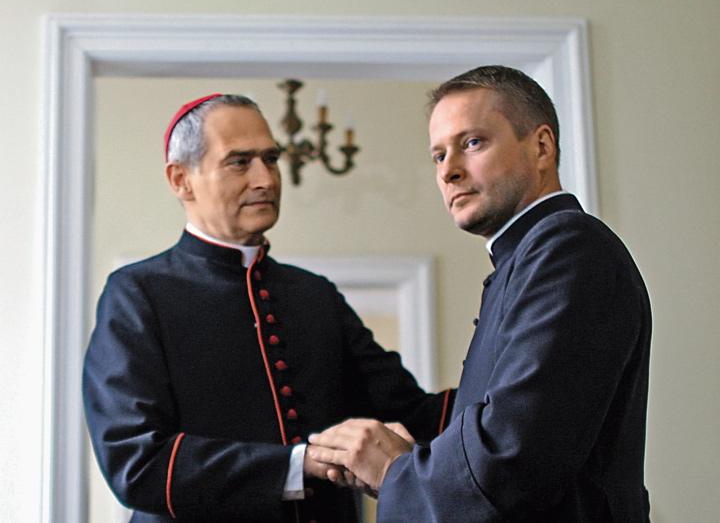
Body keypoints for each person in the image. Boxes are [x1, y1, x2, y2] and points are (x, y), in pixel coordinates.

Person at [82, 93, 454, 523]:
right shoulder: (138, 293)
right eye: (239, 162)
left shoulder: (314, 294)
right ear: (181, 179)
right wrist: (299, 463)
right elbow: (136, 463)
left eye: (271, 159)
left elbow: (413, 412)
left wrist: (503, 388)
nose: (266, 179)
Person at [308, 65, 652, 522]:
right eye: (438, 155)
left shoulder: (568, 249)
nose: (449, 171)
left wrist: (393, 470)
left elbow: (511, 459)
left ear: (542, 146)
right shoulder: (529, 257)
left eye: (472, 143)